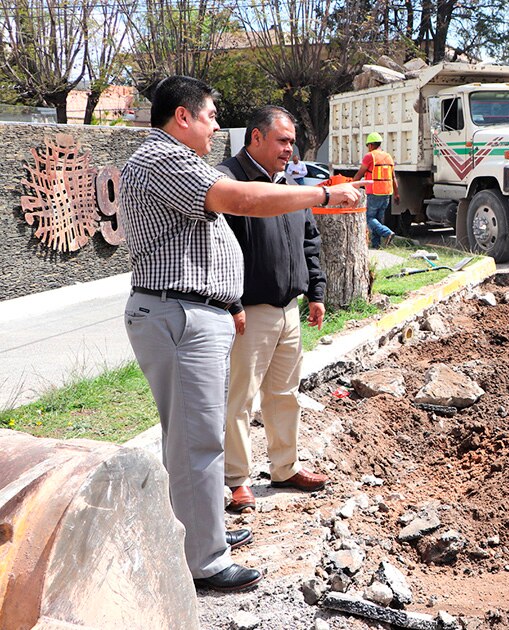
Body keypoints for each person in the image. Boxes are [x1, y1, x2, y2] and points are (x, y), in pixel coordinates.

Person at [121, 76, 359, 593]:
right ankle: (204, 562)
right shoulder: (165, 158)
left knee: (192, 439)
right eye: (209, 116)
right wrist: (321, 192)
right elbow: (244, 201)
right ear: (181, 116)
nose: (214, 127)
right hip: (179, 314)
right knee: (198, 442)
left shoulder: (172, 159)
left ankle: (199, 534)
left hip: (189, 312)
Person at [216, 105, 330, 516]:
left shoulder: (288, 183)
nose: (289, 149)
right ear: (256, 138)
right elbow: (218, 251)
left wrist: (315, 291)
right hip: (249, 311)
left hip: (289, 308)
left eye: (291, 141)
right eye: (282, 140)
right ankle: (237, 480)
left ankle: (285, 468)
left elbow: (308, 240)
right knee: (241, 399)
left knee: (284, 394)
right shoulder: (229, 182)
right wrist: (230, 302)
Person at [353, 131, 399, 248]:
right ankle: (376, 245)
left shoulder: (370, 156)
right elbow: (393, 177)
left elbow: (360, 174)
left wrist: (352, 185)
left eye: (368, 146)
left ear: (371, 145)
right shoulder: (388, 156)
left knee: (369, 218)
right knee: (377, 219)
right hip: (387, 193)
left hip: (374, 192)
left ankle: (387, 233)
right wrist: (396, 194)